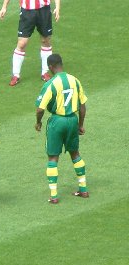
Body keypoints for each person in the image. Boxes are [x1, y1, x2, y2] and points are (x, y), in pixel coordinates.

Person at [35, 54, 89, 204]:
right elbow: (83, 106)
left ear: (51, 67)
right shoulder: (75, 80)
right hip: (72, 120)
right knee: (75, 153)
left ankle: (54, 196)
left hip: (57, 122)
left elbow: (40, 109)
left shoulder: (51, 84)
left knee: (53, 157)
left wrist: (38, 122)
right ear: (61, 64)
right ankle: (83, 189)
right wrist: (80, 125)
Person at [0, 0, 60, 86]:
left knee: (45, 40)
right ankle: (16, 75)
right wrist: (4, 7)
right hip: (27, 11)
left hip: (44, 10)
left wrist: (57, 7)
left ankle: (45, 72)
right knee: (22, 43)